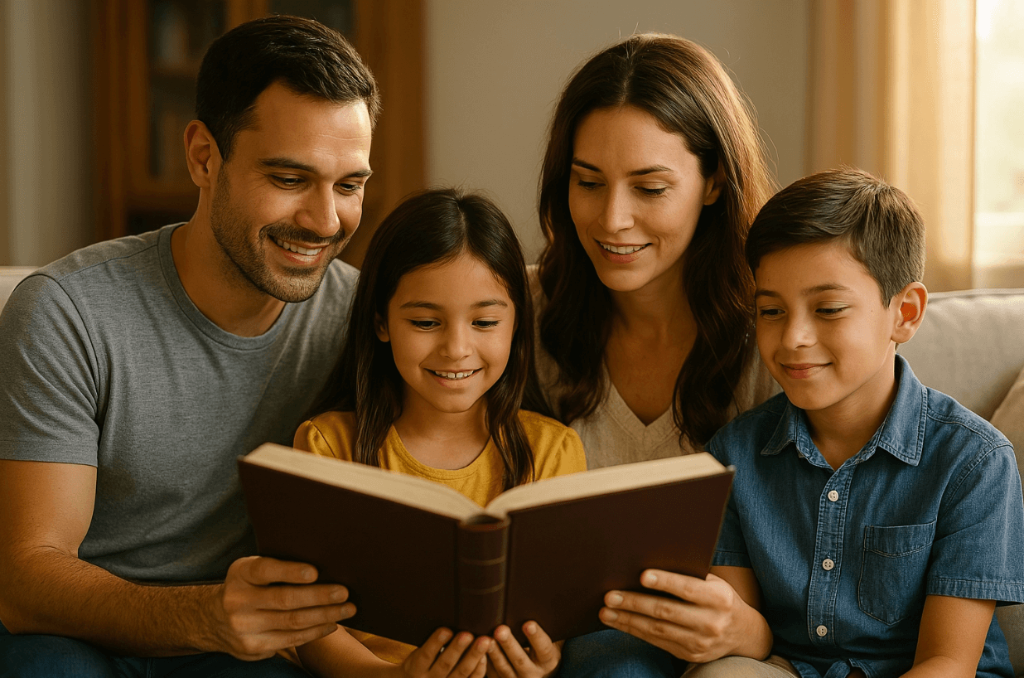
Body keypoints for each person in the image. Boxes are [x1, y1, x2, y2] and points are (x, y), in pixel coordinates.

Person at [0, 16, 379, 676]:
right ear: (204, 157)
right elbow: (25, 579)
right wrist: (205, 615)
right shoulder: (67, 312)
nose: (325, 220)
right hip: (73, 635)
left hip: (243, 651)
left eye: (349, 185)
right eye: (289, 179)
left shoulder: (362, 319)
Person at [597, 168, 1024, 677]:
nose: (793, 337)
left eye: (828, 309)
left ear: (905, 313)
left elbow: (947, 663)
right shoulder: (733, 454)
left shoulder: (973, 461)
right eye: (772, 311)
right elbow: (737, 639)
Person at [533, 33, 778, 673]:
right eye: (588, 182)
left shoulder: (778, 334)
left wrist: (748, 633)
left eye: (649, 188)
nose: (612, 219)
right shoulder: (515, 315)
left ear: (715, 182)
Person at [290, 188, 587, 678]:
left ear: (516, 324)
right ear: (382, 322)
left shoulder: (552, 451)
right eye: (426, 322)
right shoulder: (328, 445)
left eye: (485, 322)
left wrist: (541, 661)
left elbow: (552, 615)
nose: (456, 348)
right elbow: (309, 625)